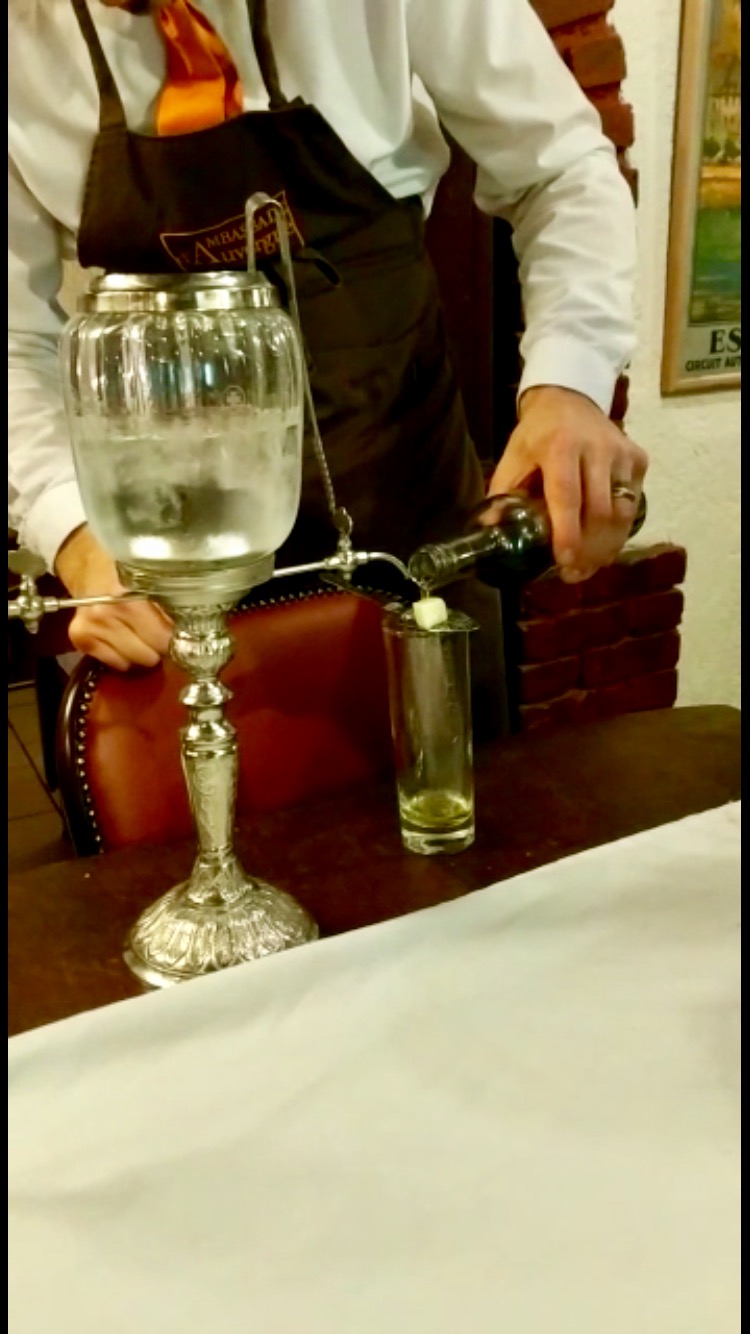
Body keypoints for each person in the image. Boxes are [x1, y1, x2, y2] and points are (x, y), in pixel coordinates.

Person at [9, 0, 648, 728]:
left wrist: (569, 386)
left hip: (407, 490)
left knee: (448, 772)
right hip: (171, 549)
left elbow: (557, 169)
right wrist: (78, 538)